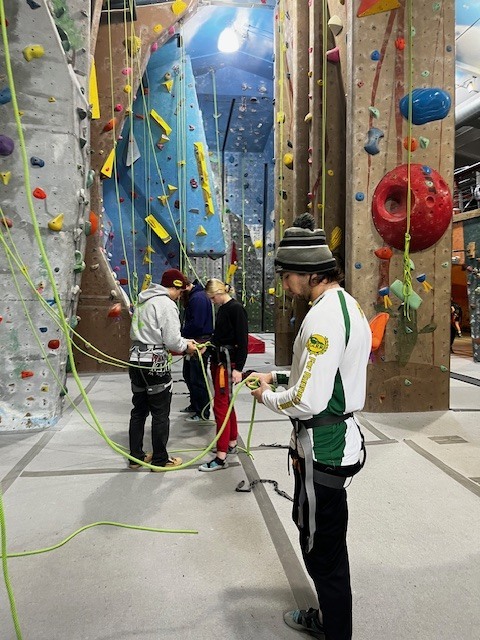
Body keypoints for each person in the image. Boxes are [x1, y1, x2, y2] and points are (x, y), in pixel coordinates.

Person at [248, 213, 372, 640]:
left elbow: (309, 398)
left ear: (306, 272)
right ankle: (332, 621)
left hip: (325, 449)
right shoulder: (344, 305)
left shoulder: (322, 319)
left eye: (285, 276)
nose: (284, 285)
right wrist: (277, 377)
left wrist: (267, 396)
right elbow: (319, 375)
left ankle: (333, 629)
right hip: (331, 444)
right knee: (322, 539)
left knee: (323, 551)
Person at [128, 268, 197, 471]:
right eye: (181, 291)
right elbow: (172, 341)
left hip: (135, 360)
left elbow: (153, 333)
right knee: (160, 412)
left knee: (139, 411)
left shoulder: (143, 301)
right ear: (175, 287)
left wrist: (184, 341)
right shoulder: (166, 304)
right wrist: (187, 347)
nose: (180, 295)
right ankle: (160, 460)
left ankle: (136, 457)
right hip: (155, 364)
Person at [198, 279, 249, 472]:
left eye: (212, 297)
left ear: (219, 292)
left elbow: (242, 341)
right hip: (219, 360)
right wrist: (207, 347)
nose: (211, 301)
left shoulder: (235, 309)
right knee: (226, 404)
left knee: (220, 407)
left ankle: (221, 457)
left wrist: (238, 369)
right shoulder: (223, 308)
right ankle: (232, 442)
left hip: (226, 365)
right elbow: (220, 336)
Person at [180, 279, 214, 423]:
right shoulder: (195, 296)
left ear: (187, 287)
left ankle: (203, 412)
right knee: (188, 375)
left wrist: (180, 332)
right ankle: (195, 405)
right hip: (193, 340)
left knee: (197, 377)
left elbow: (197, 324)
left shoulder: (198, 298)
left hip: (199, 341)